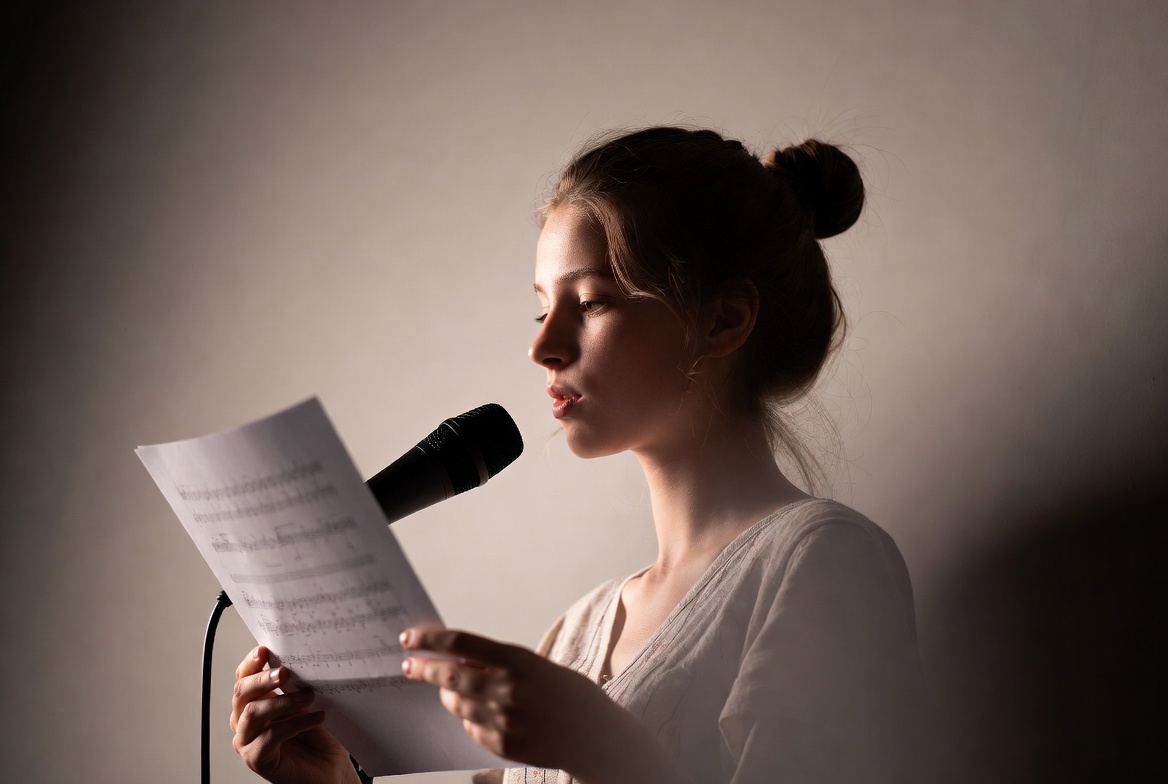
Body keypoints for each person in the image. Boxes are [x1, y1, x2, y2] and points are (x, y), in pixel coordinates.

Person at [229, 126, 920, 784]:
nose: (543, 347)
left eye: (590, 302)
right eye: (541, 309)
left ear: (722, 319)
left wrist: (600, 744)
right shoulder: (574, 633)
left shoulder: (822, 559)